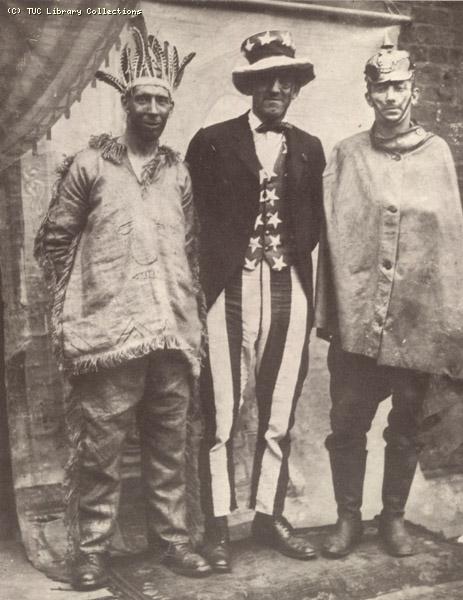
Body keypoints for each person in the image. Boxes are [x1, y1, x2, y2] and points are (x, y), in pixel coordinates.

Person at [35, 17, 212, 591]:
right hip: (108, 337)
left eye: (163, 99)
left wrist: (183, 311)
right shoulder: (91, 165)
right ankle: (90, 552)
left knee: (168, 446)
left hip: (171, 332)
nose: (154, 109)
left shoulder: (177, 171)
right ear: (126, 103)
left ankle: (174, 542)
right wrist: (79, 308)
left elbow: (186, 247)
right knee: (100, 454)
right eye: (144, 98)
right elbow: (55, 240)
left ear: (170, 106)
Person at [315, 36, 463, 559]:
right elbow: (334, 240)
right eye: (382, 88)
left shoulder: (438, 154)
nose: (392, 96)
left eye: (400, 86)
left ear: (414, 91)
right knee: (348, 424)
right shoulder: (348, 155)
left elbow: (449, 244)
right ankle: (347, 519)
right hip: (359, 321)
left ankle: (393, 519)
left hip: (415, 321)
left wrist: (448, 321)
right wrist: (336, 312)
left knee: (406, 427)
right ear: (369, 95)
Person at [186, 30, 325, 573]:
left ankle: (269, 513)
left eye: (284, 79)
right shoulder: (213, 140)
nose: (275, 87)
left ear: (293, 87)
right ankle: (217, 524)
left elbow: (315, 220)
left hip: (289, 283)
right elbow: (191, 220)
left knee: (279, 406)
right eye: (264, 78)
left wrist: (287, 251)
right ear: (249, 85)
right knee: (222, 410)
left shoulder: (310, 147)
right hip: (229, 288)